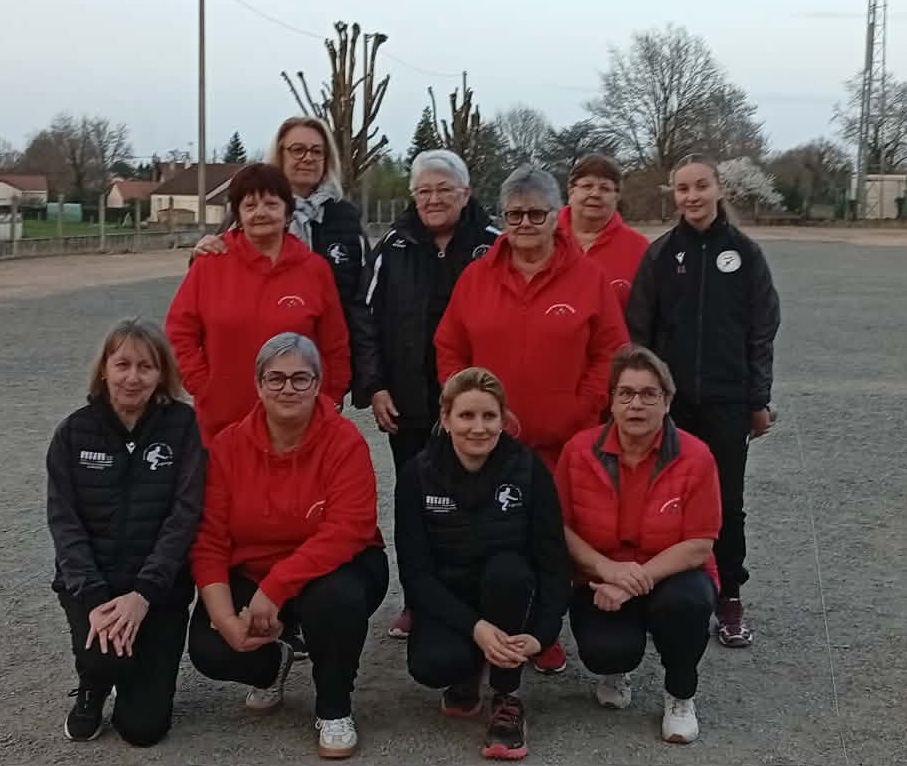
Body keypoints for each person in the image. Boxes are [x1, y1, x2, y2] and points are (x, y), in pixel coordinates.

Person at [434, 166, 629, 673]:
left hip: (564, 441)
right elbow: (450, 347)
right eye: (515, 214)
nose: (525, 223)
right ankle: (487, 627)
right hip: (487, 443)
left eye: (536, 214)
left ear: (554, 217)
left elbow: (610, 351)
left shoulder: (587, 278)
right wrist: (467, 410)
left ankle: (546, 629)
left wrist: (583, 408)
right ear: (503, 217)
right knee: (491, 537)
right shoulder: (476, 277)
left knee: (552, 537)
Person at [188, 333, 388, 760]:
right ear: (258, 385)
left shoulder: (344, 440)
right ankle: (270, 665)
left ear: (318, 384)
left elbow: (349, 529)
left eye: (301, 378)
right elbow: (209, 540)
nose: (288, 388)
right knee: (210, 651)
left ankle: (334, 706)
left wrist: (275, 588)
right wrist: (224, 618)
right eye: (275, 379)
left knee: (335, 600)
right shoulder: (227, 446)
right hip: (254, 571)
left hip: (335, 569)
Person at [625, 153, 781, 648]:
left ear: (718, 189)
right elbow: (638, 334)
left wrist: (758, 398)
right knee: (663, 498)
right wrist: (647, 398)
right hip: (672, 407)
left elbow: (762, 331)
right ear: (674, 195)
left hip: (727, 402)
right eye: (682, 189)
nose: (691, 196)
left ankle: (729, 594)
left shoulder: (746, 255)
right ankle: (669, 588)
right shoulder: (661, 254)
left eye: (701, 186)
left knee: (725, 502)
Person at [351, 149, 499, 640]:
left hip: (476, 410)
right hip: (409, 406)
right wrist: (374, 387)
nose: (433, 199)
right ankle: (419, 601)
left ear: (465, 193)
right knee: (418, 504)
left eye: (443, 189)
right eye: (423, 191)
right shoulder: (392, 245)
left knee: (479, 502)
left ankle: (479, 600)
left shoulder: (494, 245)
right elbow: (365, 320)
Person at [395, 367, 570, 761]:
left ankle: (507, 697)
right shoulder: (417, 475)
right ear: (445, 419)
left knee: (508, 570)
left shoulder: (528, 469)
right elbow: (416, 575)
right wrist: (475, 628)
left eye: (489, 416)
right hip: (450, 599)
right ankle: (467, 672)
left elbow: (554, 563)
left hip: (508, 594)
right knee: (433, 666)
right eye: (466, 416)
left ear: (503, 419)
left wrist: (541, 634)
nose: (479, 428)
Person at [46, 318, 205, 746]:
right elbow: (65, 524)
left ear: (161, 374)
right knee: (103, 658)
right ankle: (94, 686)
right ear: (104, 369)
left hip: (157, 592)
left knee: (144, 729)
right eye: (122, 365)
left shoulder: (183, 427)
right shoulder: (72, 434)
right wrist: (96, 599)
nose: (133, 377)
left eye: (146, 366)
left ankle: (129, 672)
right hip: (93, 588)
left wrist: (144, 594)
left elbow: (184, 515)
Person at [555, 345, 721, 744]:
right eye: (625, 393)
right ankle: (618, 670)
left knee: (688, 603)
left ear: (667, 402)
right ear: (610, 402)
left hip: (671, 576)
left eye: (650, 394)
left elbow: (699, 544)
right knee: (604, 652)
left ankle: (681, 694)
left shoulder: (696, 456)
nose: (636, 404)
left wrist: (632, 578)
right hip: (600, 576)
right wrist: (607, 570)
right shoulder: (578, 451)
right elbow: (558, 528)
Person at [166, 163, 350, 446]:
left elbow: (334, 343)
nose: (260, 212)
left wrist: (330, 398)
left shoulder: (314, 269)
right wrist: (204, 387)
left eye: (271, 204)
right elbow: (179, 331)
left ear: (288, 212)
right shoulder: (209, 265)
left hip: (299, 424)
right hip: (224, 423)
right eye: (249, 205)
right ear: (238, 214)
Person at [192, 116, 367, 324]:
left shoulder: (345, 218)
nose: (308, 158)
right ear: (280, 155)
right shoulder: (247, 214)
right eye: (297, 150)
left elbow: (362, 296)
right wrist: (200, 255)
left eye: (317, 151)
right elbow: (213, 279)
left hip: (330, 344)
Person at [558, 154, 650, 312]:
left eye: (605, 188)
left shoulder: (639, 248)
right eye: (587, 186)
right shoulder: (544, 239)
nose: (595, 194)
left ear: (617, 196)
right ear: (571, 191)